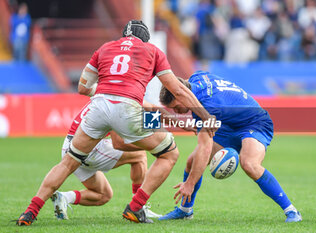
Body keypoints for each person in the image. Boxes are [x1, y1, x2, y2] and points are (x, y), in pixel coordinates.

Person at [16, 20, 215, 226]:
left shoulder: (105, 48)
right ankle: (136, 207)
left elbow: (83, 87)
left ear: (123, 36)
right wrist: (205, 116)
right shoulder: (152, 51)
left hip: (99, 107)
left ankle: (30, 211)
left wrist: (107, 95)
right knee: (169, 154)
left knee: (68, 162)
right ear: (145, 39)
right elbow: (179, 90)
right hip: (126, 109)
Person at [158, 71, 302, 223]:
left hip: (255, 122)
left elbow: (205, 149)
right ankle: (185, 210)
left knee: (249, 164)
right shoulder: (197, 77)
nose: (175, 111)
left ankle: (291, 211)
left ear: (182, 94)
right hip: (228, 125)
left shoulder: (208, 107)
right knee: (191, 162)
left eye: (175, 106)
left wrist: (190, 184)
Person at [50, 100, 162, 220]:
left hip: (69, 148)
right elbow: (118, 144)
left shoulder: (104, 95)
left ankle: (65, 197)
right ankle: (139, 207)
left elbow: (148, 106)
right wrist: (153, 144)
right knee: (139, 156)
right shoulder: (118, 101)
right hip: (86, 149)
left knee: (103, 195)